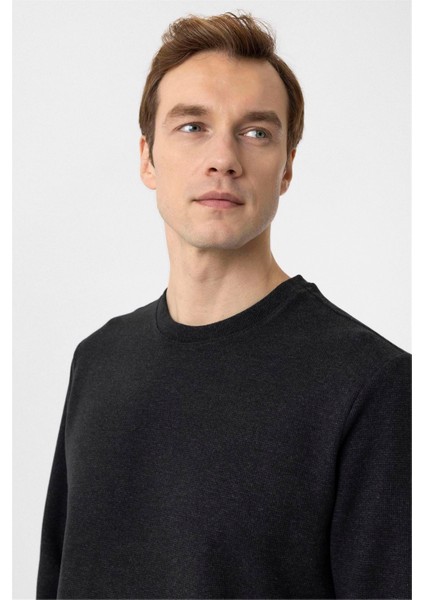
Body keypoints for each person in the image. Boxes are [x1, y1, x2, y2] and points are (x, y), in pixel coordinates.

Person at [36, 11, 411, 600]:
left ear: (287, 167)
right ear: (147, 158)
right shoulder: (99, 361)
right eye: (192, 126)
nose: (223, 158)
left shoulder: (371, 383)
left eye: (256, 132)